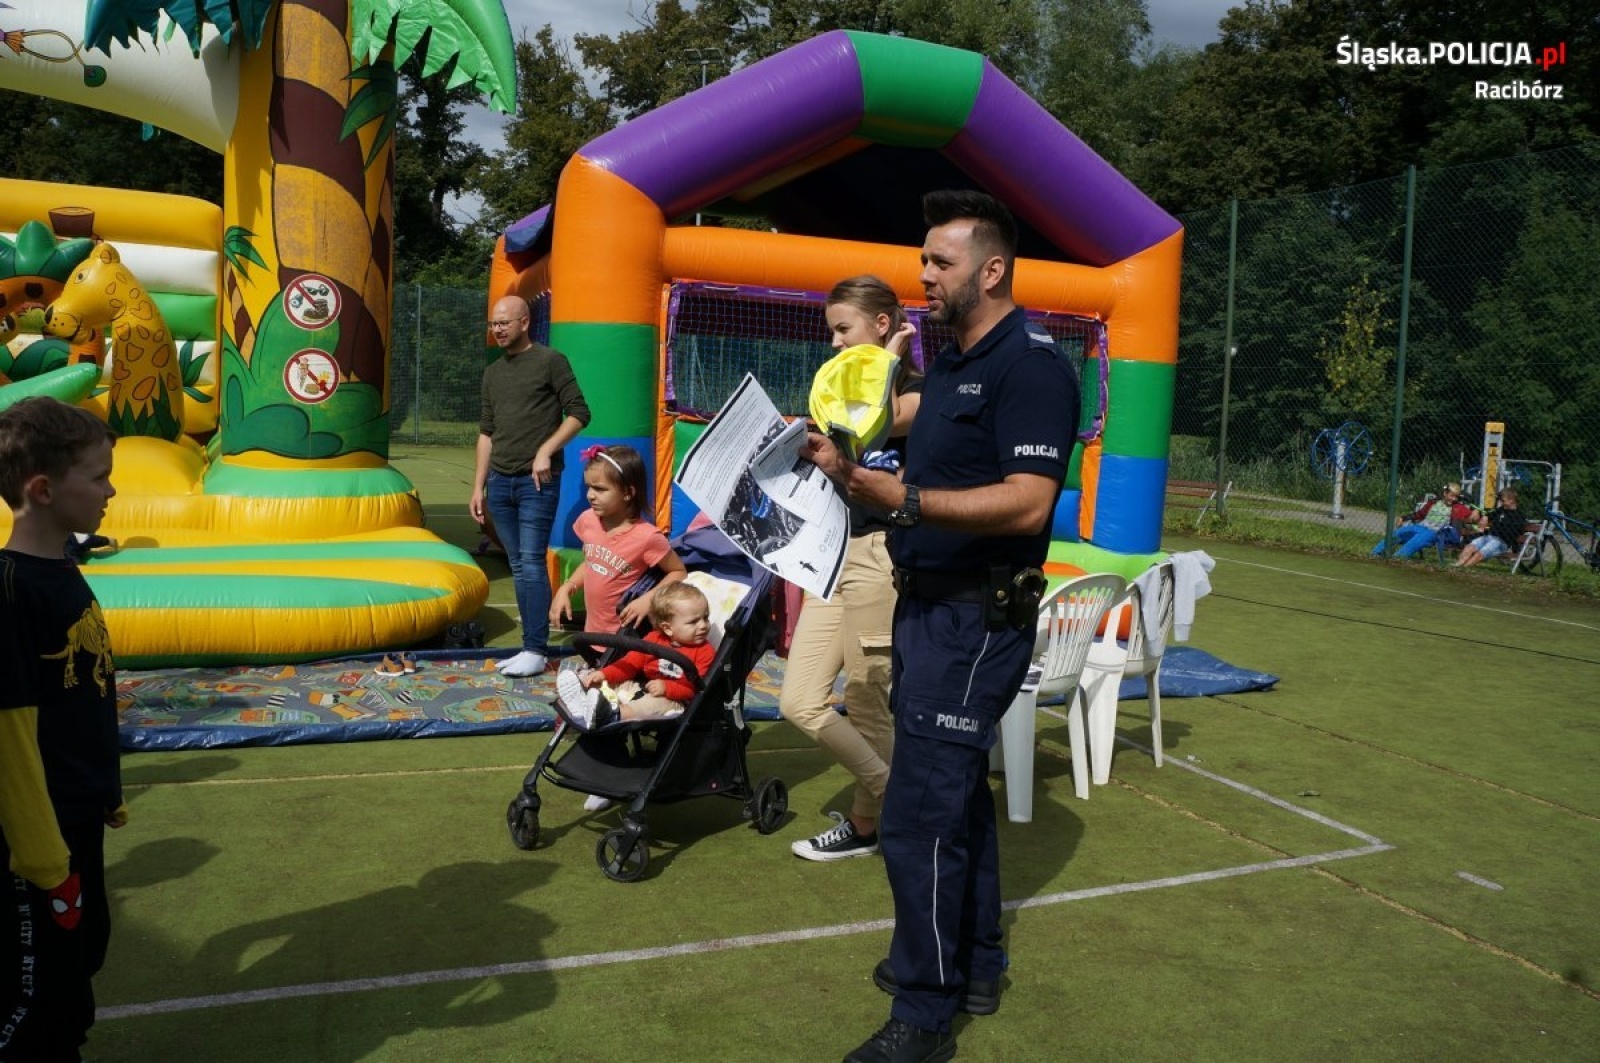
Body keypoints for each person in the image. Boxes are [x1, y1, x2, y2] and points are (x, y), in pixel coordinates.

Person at [802, 191, 1080, 1063]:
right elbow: (885, 421)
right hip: (928, 607)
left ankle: (923, 1015)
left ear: (990, 271)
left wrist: (904, 498)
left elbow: (1030, 499)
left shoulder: (1031, 367)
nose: (922, 275)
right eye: (922, 260)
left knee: (919, 814)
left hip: (976, 618)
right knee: (955, 794)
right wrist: (826, 449)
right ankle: (977, 965)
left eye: (940, 262)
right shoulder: (955, 363)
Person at [0, 396, 127, 1063]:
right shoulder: (12, 588)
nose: (111, 489)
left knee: (81, 964)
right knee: (39, 998)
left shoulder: (64, 572)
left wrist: (105, 790)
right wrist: (45, 862)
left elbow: (83, 693)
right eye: (99, 476)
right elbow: (11, 738)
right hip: (37, 842)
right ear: (43, 489)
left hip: (77, 816)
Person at [784, 276, 921, 862]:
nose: (836, 344)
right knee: (800, 701)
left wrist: (887, 365)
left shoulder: (921, 390)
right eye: (832, 332)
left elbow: (876, 424)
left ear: (883, 325)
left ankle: (869, 825)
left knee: (867, 701)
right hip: (835, 555)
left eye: (845, 329)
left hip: (883, 555)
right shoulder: (840, 391)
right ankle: (897, 794)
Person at [470, 295, 591, 677]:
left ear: (524, 322)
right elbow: (486, 432)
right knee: (519, 563)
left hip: (537, 482)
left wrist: (546, 450)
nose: (498, 329)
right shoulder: (493, 373)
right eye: (493, 324)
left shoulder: (550, 361)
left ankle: (536, 649)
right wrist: (478, 488)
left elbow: (580, 413)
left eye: (504, 322)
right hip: (498, 483)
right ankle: (529, 648)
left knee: (531, 563)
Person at [550, 444, 687, 637]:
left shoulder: (647, 537)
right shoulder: (588, 520)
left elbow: (678, 572)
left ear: (628, 493)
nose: (590, 495)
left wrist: (648, 600)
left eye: (599, 489)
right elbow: (592, 562)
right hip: (593, 632)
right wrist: (568, 586)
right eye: (589, 486)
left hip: (624, 638)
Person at [555, 581, 717, 731]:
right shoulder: (654, 639)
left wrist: (667, 688)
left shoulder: (705, 652)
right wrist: (604, 674)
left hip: (674, 701)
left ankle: (612, 714)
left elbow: (696, 688)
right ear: (668, 628)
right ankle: (584, 698)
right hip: (642, 687)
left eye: (706, 618)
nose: (703, 625)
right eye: (693, 622)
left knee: (649, 704)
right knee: (615, 683)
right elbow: (630, 663)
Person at [1370, 481, 1479, 560]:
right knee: (1399, 533)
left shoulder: (1458, 508)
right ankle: (1375, 554)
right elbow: (1420, 514)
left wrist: (1475, 512)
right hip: (1421, 526)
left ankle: (1397, 558)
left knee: (1418, 539)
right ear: (1445, 493)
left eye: (1456, 497)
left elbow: (1474, 518)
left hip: (1436, 533)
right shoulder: (1433, 502)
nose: (1454, 499)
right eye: (1452, 496)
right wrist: (1404, 518)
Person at [1456, 487, 1526, 567]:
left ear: (1511, 500)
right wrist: (1486, 517)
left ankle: (1465, 567)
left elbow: (1516, 533)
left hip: (1501, 542)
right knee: (1469, 547)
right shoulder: (1501, 510)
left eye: (1503, 501)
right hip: (1489, 537)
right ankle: (1458, 565)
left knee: (1481, 552)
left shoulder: (1519, 515)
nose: (1501, 503)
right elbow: (1489, 514)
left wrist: (1514, 549)